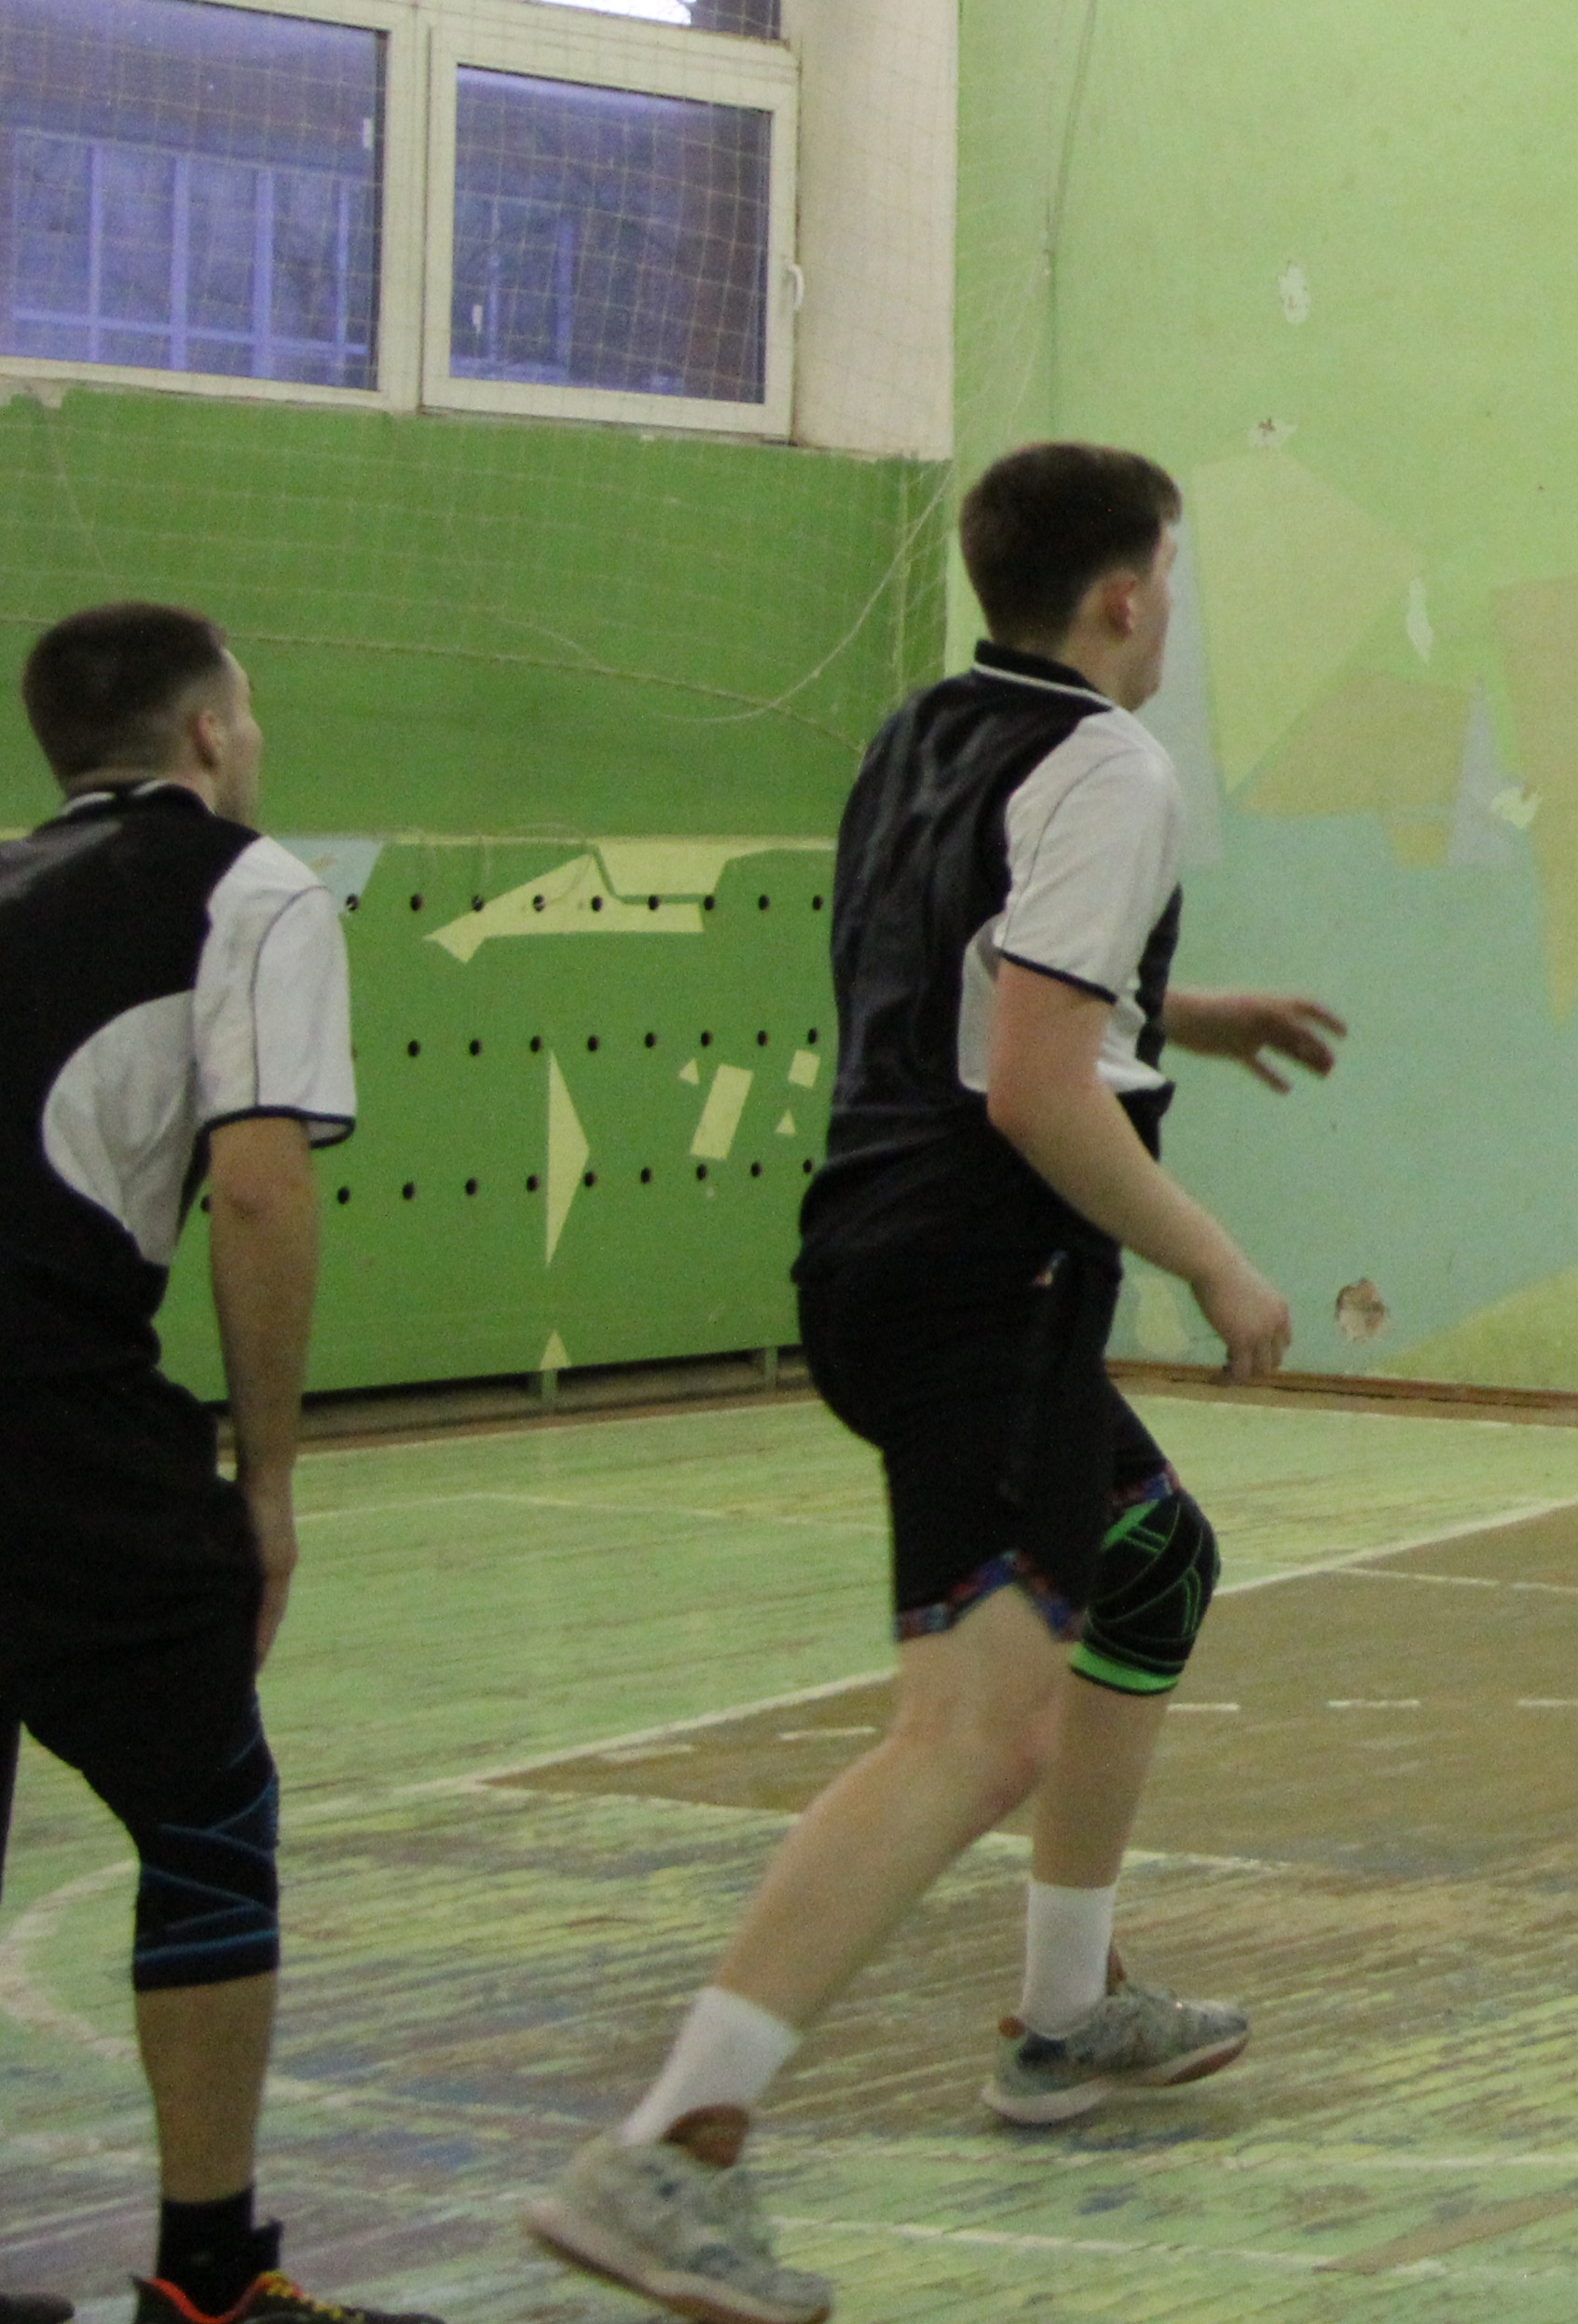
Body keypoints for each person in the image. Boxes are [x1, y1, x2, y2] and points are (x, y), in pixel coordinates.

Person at [525, 445, 1347, 2324]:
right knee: (972, 1739)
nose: (1171, 610)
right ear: (1126, 595)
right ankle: (671, 2149)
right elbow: (1035, 1085)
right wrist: (1213, 1256)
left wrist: (1180, 1013)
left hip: (876, 1253)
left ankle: (1066, 2017)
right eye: (1170, 579)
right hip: (990, 1277)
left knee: (1152, 1564)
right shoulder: (1113, 764)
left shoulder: (922, 734)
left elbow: (954, 975)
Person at [2, 606, 432, 2324]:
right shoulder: (252, 890)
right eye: (246, 715)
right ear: (204, 736)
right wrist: (266, 1489)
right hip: (53, 1409)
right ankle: (209, 2283)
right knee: (205, 1817)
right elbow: (258, 1187)